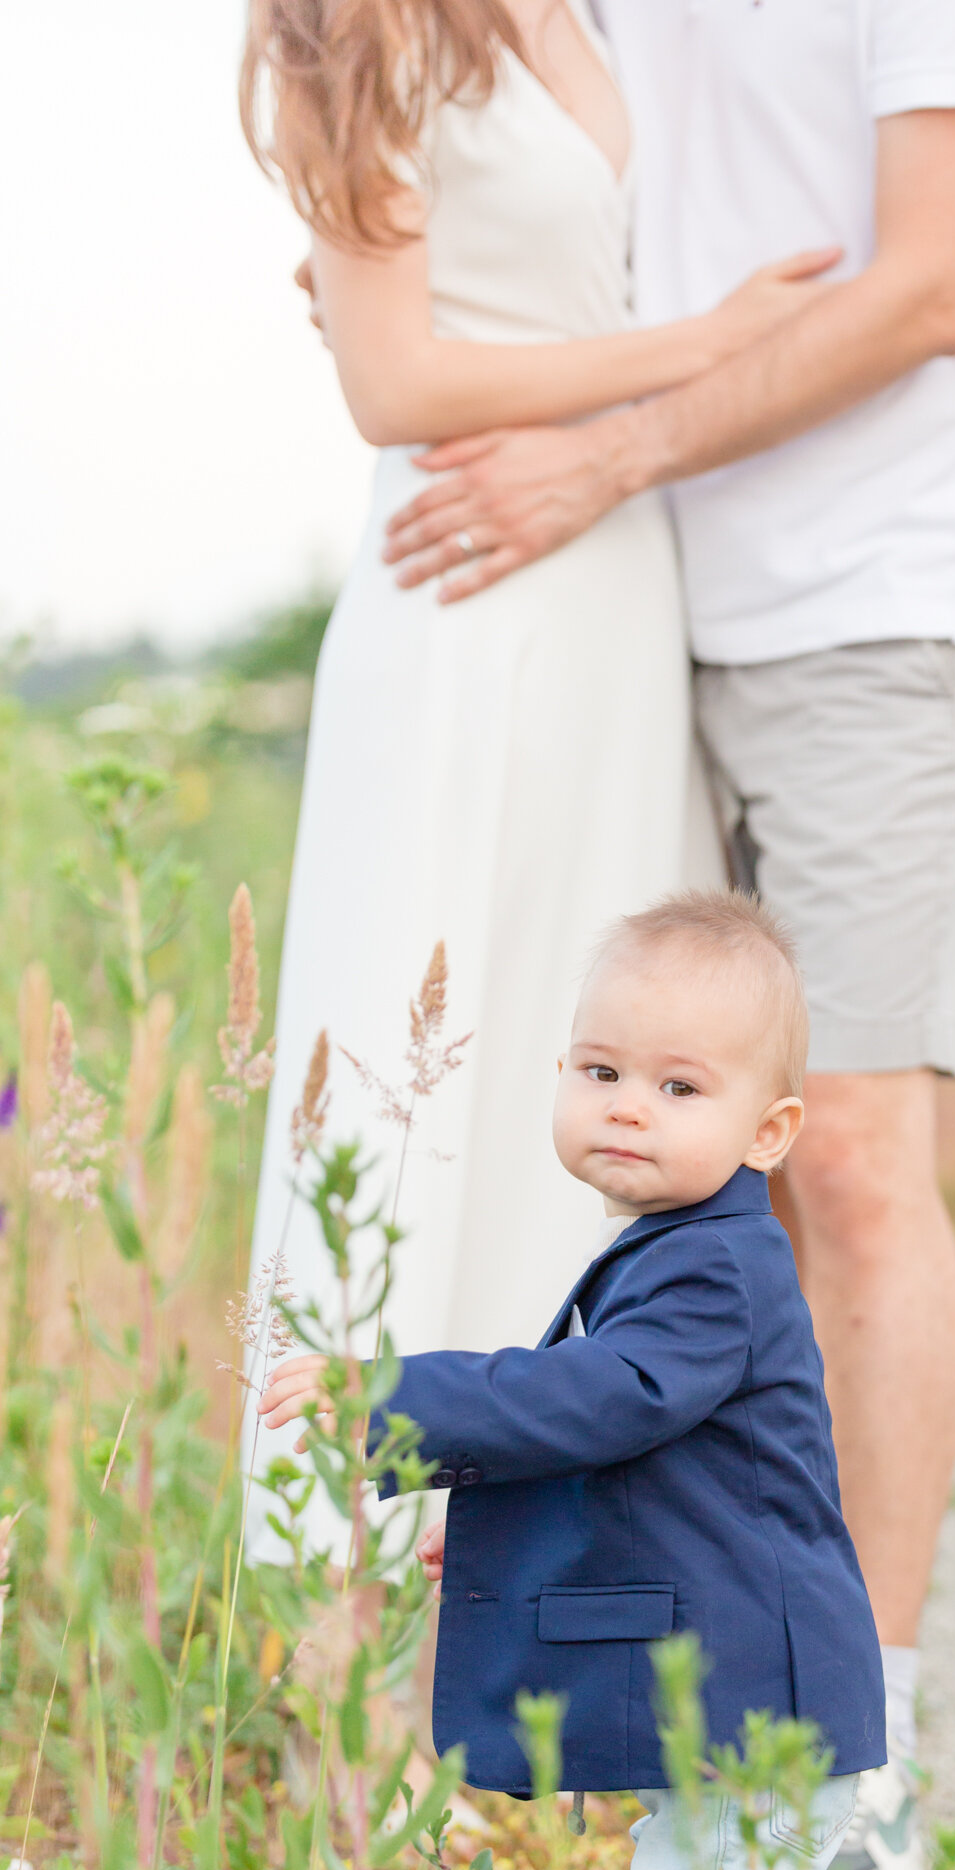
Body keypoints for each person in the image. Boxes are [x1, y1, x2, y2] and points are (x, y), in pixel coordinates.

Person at [380, 0, 955, 1870]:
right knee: (610, 1141)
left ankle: (855, 1750)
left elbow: (927, 285)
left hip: (864, 615)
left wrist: (605, 452)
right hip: (617, 598)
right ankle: (621, 1705)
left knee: (836, 1154)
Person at [238, 0, 835, 1557]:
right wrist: (698, 352)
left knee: (618, 1061)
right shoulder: (344, 27)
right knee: (427, 1053)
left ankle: (580, 1552)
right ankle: (349, 1575)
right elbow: (391, 381)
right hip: (472, 584)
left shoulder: (608, 18)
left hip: (624, 587)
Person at [260, 891, 886, 1870]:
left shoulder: (717, 1273)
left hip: (764, 1708)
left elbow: (605, 1399)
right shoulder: (680, 1249)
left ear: (771, 1131)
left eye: (679, 1086)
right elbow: (648, 1467)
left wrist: (393, 1394)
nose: (629, 1108)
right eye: (601, 1070)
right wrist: (502, 1523)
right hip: (734, 1687)